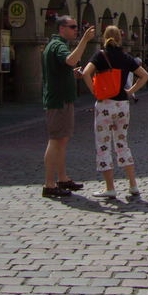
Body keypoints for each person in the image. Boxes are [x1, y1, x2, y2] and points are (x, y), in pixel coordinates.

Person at [82, 26, 148, 199]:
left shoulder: (100, 55)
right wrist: (130, 90)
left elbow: (85, 73)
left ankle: (110, 188)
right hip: (122, 105)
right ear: (120, 38)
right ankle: (133, 185)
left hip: (104, 104)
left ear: (104, 38)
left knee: (103, 146)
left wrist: (94, 91)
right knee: (122, 143)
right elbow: (145, 75)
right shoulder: (126, 57)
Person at [42, 16, 95, 198]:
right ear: (62, 28)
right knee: (56, 140)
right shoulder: (58, 45)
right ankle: (49, 184)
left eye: (76, 27)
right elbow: (71, 60)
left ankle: (62, 178)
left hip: (62, 99)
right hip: (58, 100)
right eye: (72, 27)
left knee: (62, 140)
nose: (75, 30)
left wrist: (71, 74)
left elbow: (65, 66)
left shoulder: (58, 45)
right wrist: (84, 41)